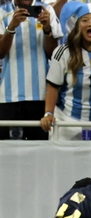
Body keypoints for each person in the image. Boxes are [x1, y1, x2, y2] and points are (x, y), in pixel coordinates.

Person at [40, 3, 91, 141]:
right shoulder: (64, 52)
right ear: (77, 26)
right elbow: (53, 86)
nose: (90, 24)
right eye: (85, 20)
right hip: (68, 124)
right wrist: (48, 113)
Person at [0, 0, 63, 140]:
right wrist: (11, 27)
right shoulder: (2, 12)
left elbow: (52, 54)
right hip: (8, 97)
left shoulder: (47, 11)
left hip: (40, 95)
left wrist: (47, 30)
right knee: (6, 151)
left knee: (38, 150)